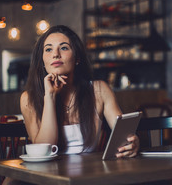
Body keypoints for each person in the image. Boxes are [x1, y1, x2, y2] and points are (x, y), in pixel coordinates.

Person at [21, 25, 139, 156]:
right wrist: (50, 96)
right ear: (43, 60)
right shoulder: (28, 98)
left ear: (77, 58)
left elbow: (123, 135)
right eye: (48, 49)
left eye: (64, 48)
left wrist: (132, 143)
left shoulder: (99, 90)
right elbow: (43, 151)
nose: (55, 54)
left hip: (89, 172)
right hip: (47, 174)